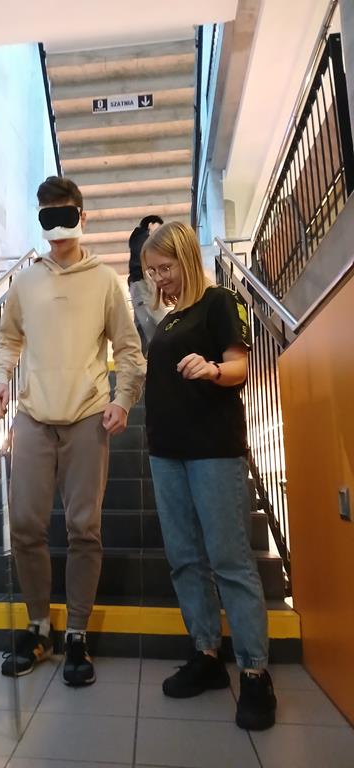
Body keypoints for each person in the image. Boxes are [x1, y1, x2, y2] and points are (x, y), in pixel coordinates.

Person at [0, 176, 145, 686]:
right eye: (47, 217)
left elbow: (129, 349)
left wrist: (123, 400)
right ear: (41, 221)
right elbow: (9, 339)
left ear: (82, 217)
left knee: (84, 529)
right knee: (24, 526)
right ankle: (39, 626)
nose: (56, 226)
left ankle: (76, 632)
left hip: (87, 418)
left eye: (64, 214)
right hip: (33, 417)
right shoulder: (26, 282)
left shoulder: (105, 281)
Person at [141, 221, 277, 731]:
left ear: (186, 258)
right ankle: (206, 654)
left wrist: (213, 369)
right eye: (152, 272)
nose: (159, 279)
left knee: (230, 560)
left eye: (165, 268)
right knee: (185, 560)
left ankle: (255, 673)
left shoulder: (221, 301)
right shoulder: (169, 320)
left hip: (213, 451)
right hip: (166, 454)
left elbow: (240, 367)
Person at [128, 215, 168, 352]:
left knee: (141, 326)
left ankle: (140, 357)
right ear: (150, 224)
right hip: (142, 283)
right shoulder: (142, 237)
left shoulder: (139, 237)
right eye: (158, 227)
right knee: (155, 319)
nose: (159, 232)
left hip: (138, 283)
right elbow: (144, 259)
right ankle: (162, 352)